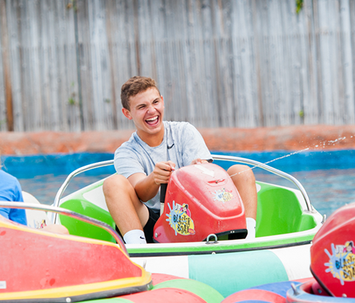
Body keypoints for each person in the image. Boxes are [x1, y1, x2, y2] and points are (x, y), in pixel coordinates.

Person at [104, 76, 258, 245]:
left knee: (241, 172)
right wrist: (155, 179)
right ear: (127, 113)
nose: (152, 111)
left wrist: (197, 172)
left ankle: (247, 240)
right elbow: (140, 192)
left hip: (194, 216)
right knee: (113, 183)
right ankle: (138, 248)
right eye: (142, 107)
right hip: (150, 220)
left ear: (162, 102)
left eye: (155, 102)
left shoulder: (185, 131)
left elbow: (209, 181)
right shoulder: (126, 152)